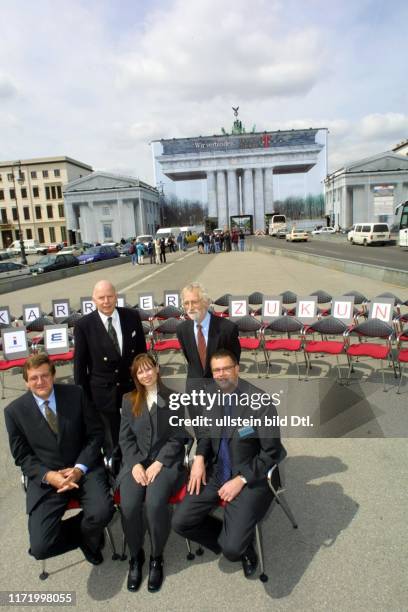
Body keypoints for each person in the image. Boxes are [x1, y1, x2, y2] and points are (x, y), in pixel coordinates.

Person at [172, 349, 286, 578]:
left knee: (232, 550)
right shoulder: (210, 394)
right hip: (216, 470)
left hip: (250, 477)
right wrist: (200, 457)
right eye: (216, 370)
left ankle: (240, 546)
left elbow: (272, 452)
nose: (221, 374)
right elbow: (204, 431)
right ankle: (230, 537)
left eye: (226, 368)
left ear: (237, 369)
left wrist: (242, 479)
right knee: (181, 522)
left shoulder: (261, 403)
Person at [4, 354, 114, 565]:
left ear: (53, 376)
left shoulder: (76, 394)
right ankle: (85, 536)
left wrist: (79, 468)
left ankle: (91, 532)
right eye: (34, 378)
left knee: (103, 512)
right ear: (26, 382)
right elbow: (22, 456)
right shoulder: (14, 412)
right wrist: (49, 475)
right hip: (47, 480)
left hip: (84, 469)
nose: (40, 382)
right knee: (40, 547)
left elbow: (95, 434)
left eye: (45, 376)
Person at [118, 353, 190, 593]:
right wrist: (136, 464)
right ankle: (135, 556)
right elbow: (125, 438)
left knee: (154, 504)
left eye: (149, 368)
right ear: (135, 376)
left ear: (158, 369)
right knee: (128, 505)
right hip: (135, 463)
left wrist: (159, 463)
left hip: (164, 462)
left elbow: (178, 435)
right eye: (140, 371)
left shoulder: (173, 398)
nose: (146, 374)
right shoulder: (129, 400)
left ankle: (156, 556)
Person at [74, 280, 147, 456]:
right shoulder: (84, 325)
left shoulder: (132, 316)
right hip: (104, 394)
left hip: (132, 389)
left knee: (138, 435)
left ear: (116, 297)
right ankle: (115, 476)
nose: (106, 301)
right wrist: (85, 400)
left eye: (110, 296)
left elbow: (141, 354)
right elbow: (80, 367)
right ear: (93, 300)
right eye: (101, 298)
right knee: (112, 442)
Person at [176, 282, 241, 383]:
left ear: (206, 302)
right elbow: (191, 360)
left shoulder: (227, 329)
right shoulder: (182, 330)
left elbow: (233, 362)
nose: (190, 307)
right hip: (194, 387)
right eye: (186, 303)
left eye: (194, 302)